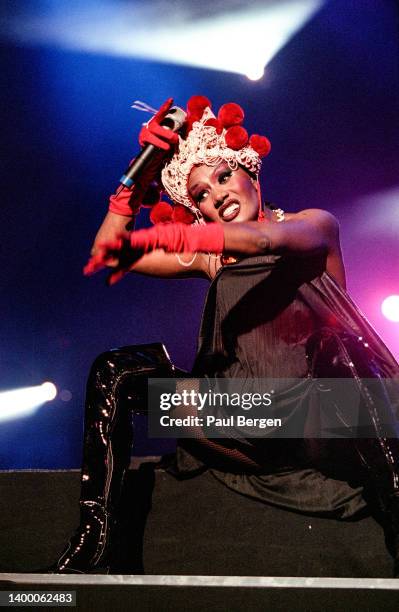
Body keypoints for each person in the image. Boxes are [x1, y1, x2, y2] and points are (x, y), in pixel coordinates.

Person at [50, 95, 399, 575]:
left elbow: (264, 240)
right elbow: (109, 253)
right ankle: (95, 545)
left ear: (249, 171)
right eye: (200, 196)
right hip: (242, 413)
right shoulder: (214, 257)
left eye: (221, 177)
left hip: (320, 416)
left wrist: (183, 237)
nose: (216, 196)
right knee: (120, 370)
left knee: (344, 354)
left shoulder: (312, 225)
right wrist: (135, 180)